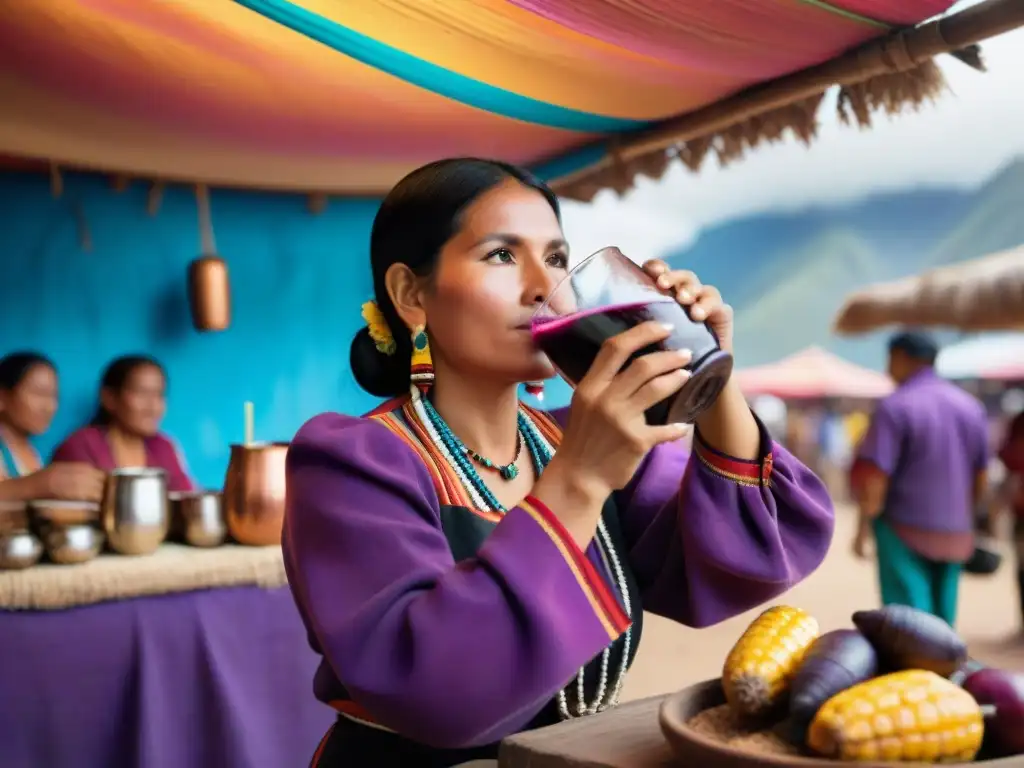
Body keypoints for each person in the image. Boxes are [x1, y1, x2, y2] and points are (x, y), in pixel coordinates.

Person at [283, 158, 835, 768]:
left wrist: (712, 373)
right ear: (412, 296)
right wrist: (579, 481)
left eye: (554, 258)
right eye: (501, 255)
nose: (542, 286)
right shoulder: (355, 461)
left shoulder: (572, 437)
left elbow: (756, 555)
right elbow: (435, 688)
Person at [850, 331, 989, 626]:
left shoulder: (895, 406)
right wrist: (968, 516)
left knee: (910, 622)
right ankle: (941, 669)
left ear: (902, 357)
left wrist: (863, 527)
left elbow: (876, 475)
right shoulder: (970, 407)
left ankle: (917, 670)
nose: (888, 368)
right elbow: (982, 473)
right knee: (944, 616)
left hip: (902, 527)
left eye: (890, 359)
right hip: (955, 529)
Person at [52, 355, 195, 492]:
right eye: (142, 393)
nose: (153, 407)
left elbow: (184, 498)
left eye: (159, 394)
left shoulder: (163, 447)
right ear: (109, 397)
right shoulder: (82, 446)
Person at [0, 352, 106, 502]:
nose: (49, 407)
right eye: (39, 393)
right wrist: (38, 484)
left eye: (53, 396)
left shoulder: (30, 451)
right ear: (2, 396)